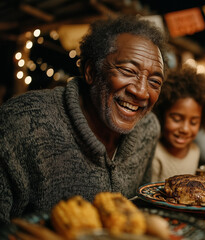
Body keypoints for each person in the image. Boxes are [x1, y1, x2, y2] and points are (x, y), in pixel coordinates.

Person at [0, 15, 169, 225]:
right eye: (128, 71)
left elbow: (140, 210)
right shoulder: (21, 122)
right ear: (90, 71)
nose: (142, 92)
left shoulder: (148, 129)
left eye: (154, 81)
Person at [151, 66, 205, 182]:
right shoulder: (155, 153)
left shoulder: (194, 151)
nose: (185, 129)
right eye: (177, 119)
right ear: (161, 115)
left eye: (194, 122)